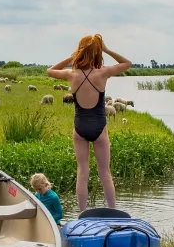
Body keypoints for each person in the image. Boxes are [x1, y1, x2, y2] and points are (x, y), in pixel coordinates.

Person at [47, 34, 133, 212]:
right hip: (99, 128)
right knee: (105, 173)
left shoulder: (71, 75)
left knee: (82, 171)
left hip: (80, 128)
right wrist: (107, 50)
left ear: (80, 52)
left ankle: (82, 212)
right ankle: (112, 210)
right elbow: (127, 63)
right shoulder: (103, 73)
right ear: (97, 53)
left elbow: (50, 70)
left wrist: (73, 57)